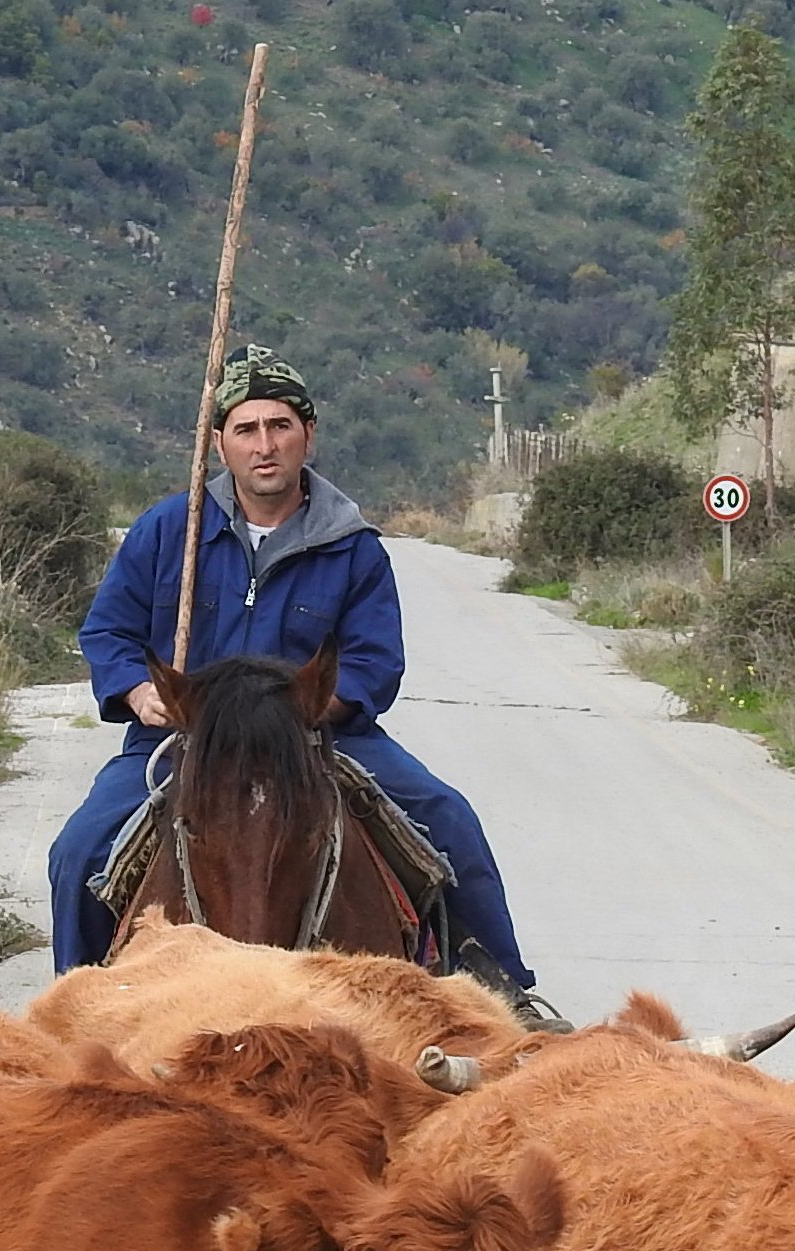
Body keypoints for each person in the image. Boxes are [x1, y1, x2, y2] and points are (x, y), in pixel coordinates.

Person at [48, 344, 548, 1015]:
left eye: (279, 426)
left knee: (448, 820)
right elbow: (108, 632)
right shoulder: (170, 530)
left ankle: (503, 1000)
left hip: (322, 742)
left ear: (307, 435)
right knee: (77, 849)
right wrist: (138, 691)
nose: (264, 446)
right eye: (246, 429)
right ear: (219, 443)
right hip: (186, 744)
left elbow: (374, 661)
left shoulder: (352, 545)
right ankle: (74, 1017)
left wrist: (321, 708)